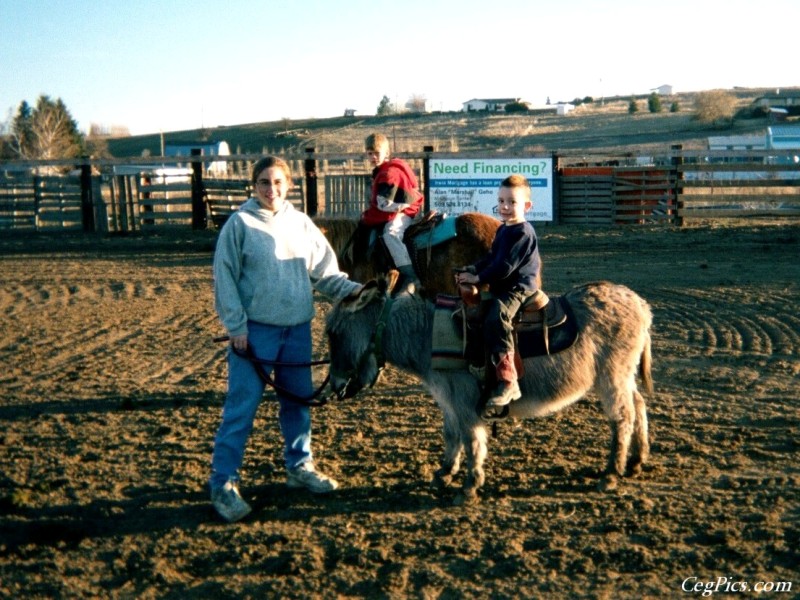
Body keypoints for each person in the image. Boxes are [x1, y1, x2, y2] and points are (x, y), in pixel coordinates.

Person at [210, 156, 362, 523]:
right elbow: (224, 277)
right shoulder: (239, 224)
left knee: (297, 404)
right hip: (255, 335)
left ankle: (299, 465)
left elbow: (326, 274)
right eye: (264, 182)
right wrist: (237, 328)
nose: (271, 189)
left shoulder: (300, 223)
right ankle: (223, 483)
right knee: (241, 409)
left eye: (277, 182)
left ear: (289, 185)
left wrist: (359, 291)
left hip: (296, 330)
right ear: (254, 185)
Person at [455, 174, 541, 413]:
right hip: (503, 285)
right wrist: (472, 269)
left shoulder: (523, 233)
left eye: (512, 202)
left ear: (526, 206)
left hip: (519, 287)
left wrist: (478, 279)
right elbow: (492, 259)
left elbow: (504, 267)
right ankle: (480, 363)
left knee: (497, 315)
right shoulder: (504, 230)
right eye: (501, 201)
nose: (504, 206)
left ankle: (508, 379)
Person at [360, 133, 424, 294]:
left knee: (391, 234)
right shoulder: (383, 170)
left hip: (404, 212)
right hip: (397, 210)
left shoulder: (389, 173)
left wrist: (368, 217)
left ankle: (410, 275)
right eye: (370, 153)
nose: (373, 157)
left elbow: (385, 206)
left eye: (377, 153)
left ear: (386, 153)